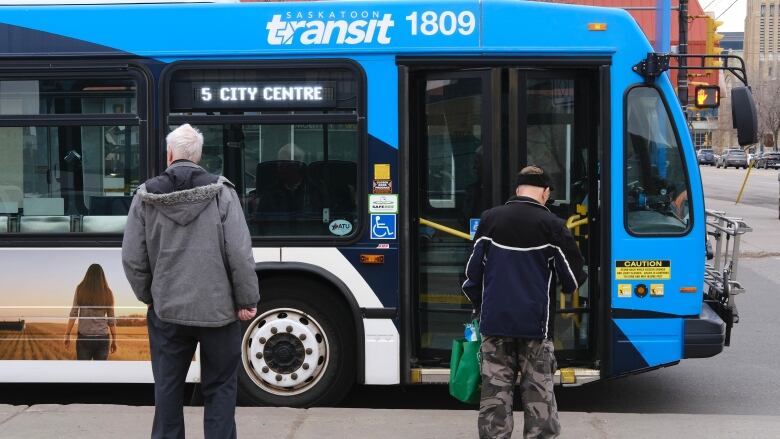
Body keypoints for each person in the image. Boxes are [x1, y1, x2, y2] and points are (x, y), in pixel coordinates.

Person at [122, 123, 260, 439]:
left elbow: (132, 257)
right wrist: (246, 300)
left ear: (170, 154)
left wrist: (151, 296)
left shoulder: (145, 196)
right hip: (219, 312)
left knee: (168, 388)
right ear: (197, 156)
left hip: (167, 311)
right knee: (221, 386)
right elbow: (240, 252)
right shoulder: (223, 193)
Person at [462, 166, 586, 439]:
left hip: (494, 326)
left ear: (518, 190)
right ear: (545, 192)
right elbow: (573, 280)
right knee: (539, 402)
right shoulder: (553, 226)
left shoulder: (490, 220)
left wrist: (481, 308)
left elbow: (470, 277)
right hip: (535, 330)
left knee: (495, 400)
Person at [64, 263, 117, 360]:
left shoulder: (80, 289)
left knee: (83, 373)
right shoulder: (108, 292)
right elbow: (111, 321)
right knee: (100, 373)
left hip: (84, 338)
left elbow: (73, 313)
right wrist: (114, 340)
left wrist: (67, 334)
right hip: (102, 338)